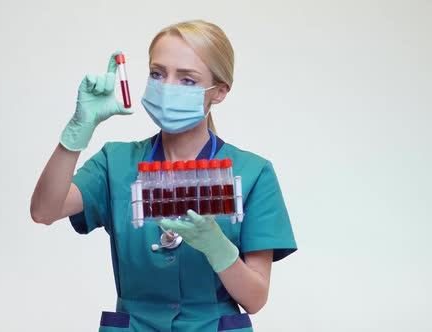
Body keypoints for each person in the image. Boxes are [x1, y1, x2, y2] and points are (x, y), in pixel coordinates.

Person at [30, 20, 297, 332]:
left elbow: (255, 299)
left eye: (187, 80)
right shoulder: (115, 162)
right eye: (158, 74)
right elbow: (44, 211)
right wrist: (77, 131)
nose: (168, 87)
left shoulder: (252, 173)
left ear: (220, 92)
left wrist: (219, 249)